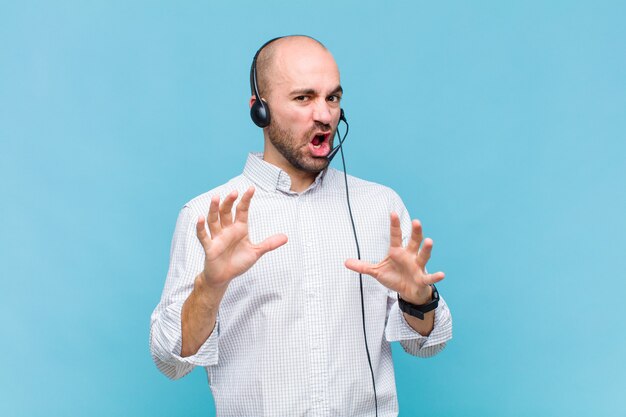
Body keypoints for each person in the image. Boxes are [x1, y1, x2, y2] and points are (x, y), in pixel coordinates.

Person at [150, 35, 452, 417]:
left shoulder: (381, 207)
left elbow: (429, 343)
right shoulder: (206, 216)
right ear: (260, 110)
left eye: (333, 98)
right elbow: (170, 361)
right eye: (303, 98)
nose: (325, 115)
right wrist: (210, 288)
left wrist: (418, 299)